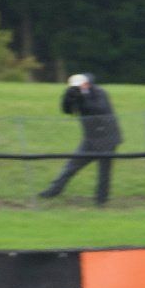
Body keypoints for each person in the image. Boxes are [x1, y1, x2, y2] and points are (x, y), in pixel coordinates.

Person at [39, 73, 122, 205]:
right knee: (71, 166)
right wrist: (68, 97)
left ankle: (101, 200)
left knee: (104, 171)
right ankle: (54, 190)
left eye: (80, 85)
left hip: (107, 138)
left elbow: (98, 109)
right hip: (90, 138)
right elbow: (67, 110)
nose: (78, 88)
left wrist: (83, 97)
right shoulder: (77, 95)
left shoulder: (99, 93)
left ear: (86, 84)